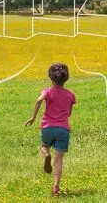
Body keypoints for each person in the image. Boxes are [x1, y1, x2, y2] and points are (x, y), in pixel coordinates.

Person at [25, 63, 76, 197]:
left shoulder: (47, 91)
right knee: (59, 160)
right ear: (66, 78)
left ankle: (46, 155)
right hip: (63, 130)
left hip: (48, 128)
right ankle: (55, 187)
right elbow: (69, 114)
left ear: (51, 78)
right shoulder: (71, 94)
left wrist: (33, 117)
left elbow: (39, 100)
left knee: (44, 147)